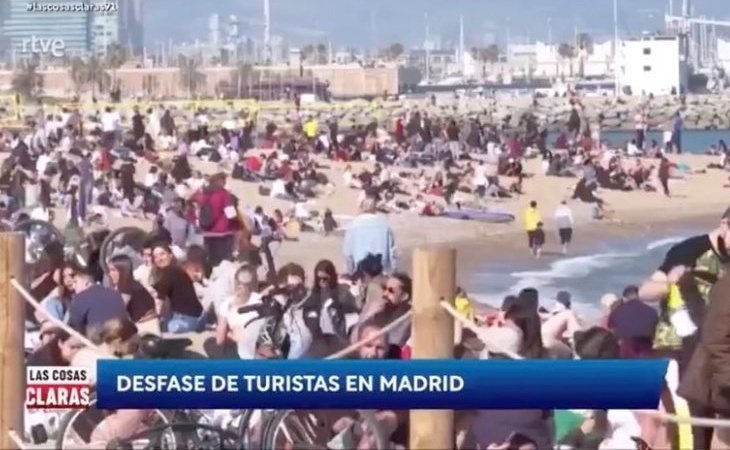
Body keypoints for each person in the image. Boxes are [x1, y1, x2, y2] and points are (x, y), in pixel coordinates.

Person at [639, 207, 730, 450]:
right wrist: (670, 282)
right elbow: (645, 291)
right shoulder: (690, 250)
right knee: (686, 424)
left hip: (714, 352)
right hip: (676, 345)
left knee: (710, 422)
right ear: (724, 224)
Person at [150, 243, 203, 333]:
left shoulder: (170, 271)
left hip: (186, 319)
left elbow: (160, 301)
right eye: (156, 257)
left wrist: (153, 318)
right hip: (193, 317)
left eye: (162, 254)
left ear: (170, 255)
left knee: (165, 328)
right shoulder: (175, 271)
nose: (160, 258)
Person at [343, 190, 396, 275]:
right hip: (381, 274)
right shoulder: (385, 225)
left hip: (360, 273)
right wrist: (392, 274)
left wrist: (350, 274)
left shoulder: (352, 226)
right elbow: (392, 255)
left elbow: (348, 255)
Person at [67, 266, 128, 337]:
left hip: (101, 341)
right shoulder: (112, 292)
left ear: (87, 283)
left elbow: (75, 329)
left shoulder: (79, 299)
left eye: (75, 282)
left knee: (68, 344)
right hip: (124, 334)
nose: (73, 286)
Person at [107, 254, 159, 335]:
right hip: (143, 326)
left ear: (123, 270)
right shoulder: (127, 285)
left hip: (146, 328)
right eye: (109, 270)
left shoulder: (127, 287)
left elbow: (117, 311)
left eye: (113, 270)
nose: (110, 274)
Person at [195, 172, 237, 268]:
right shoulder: (224, 194)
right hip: (222, 232)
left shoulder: (204, 193)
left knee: (209, 257)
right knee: (222, 262)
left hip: (207, 229)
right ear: (220, 181)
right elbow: (231, 213)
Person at [607, 285, 658, 358]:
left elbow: (611, 330)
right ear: (639, 296)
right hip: (647, 349)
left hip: (626, 351)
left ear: (624, 298)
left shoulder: (617, 311)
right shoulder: (651, 311)